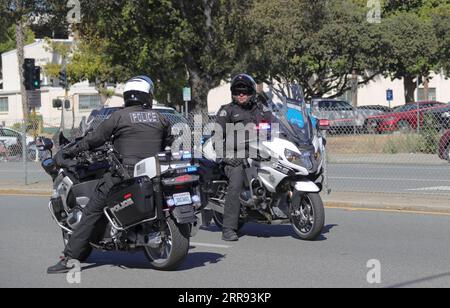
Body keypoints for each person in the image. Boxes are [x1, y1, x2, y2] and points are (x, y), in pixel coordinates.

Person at [47, 76, 174, 274]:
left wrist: (70, 151)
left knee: (91, 211)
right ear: (147, 96)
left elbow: (93, 139)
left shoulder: (119, 117)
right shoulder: (161, 118)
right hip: (155, 173)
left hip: (124, 174)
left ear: (128, 96)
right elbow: (168, 142)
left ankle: (69, 257)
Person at [215, 74, 275, 241]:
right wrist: (227, 157)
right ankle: (228, 228)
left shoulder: (261, 109)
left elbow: (277, 126)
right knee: (236, 179)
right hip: (235, 156)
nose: (241, 94)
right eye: (237, 91)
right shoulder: (226, 110)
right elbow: (217, 139)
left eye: (245, 91)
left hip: (259, 152)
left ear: (251, 92)